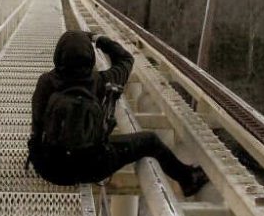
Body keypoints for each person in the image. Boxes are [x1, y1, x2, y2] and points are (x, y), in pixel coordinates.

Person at [27, 29, 208, 196]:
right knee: (150, 141)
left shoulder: (46, 82)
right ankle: (188, 179)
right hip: (94, 167)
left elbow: (37, 125)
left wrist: (37, 157)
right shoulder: (102, 81)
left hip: (52, 170)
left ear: (58, 56)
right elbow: (126, 59)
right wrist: (99, 39)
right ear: (90, 57)